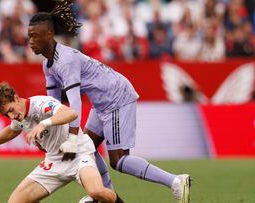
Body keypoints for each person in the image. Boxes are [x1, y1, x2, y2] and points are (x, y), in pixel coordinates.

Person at [27, 1, 191, 202]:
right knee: (87, 147)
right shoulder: (48, 64)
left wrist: (69, 139)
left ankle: (175, 181)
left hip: (115, 97)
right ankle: (105, 197)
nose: (31, 41)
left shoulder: (66, 60)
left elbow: (74, 106)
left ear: (49, 35)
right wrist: (48, 131)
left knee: (118, 159)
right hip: (102, 102)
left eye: (35, 36)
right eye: (29, 36)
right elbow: (54, 106)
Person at [0, 82, 123, 203]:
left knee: (96, 192)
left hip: (78, 153)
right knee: (15, 202)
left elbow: (71, 114)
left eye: (11, 110)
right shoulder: (19, 116)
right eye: (6, 115)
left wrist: (44, 123)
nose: (11, 116)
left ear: (16, 99)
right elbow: (12, 129)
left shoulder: (41, 104)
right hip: (54, 161)